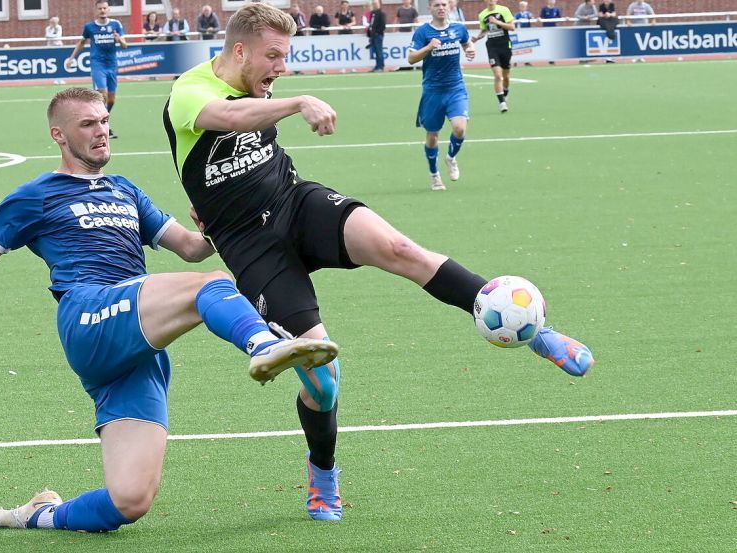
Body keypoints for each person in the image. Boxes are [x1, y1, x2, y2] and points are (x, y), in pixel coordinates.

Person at [163, 2, 594, 521]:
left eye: (286, 58)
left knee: (400, 249)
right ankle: (323, 472)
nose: (281, 67)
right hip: (250, 245)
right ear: (238, 50)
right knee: (323, 376)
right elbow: (226, 118)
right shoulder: (190, 91)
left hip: (296, 202)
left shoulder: (260, 83)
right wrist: (298, 102)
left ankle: (532, 330)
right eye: (273, 56)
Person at [0, 87, 339, 534]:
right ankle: (265, 344)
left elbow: (192, 250)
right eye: (89, 123)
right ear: (59, 135)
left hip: (136, 345)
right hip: (90, 315)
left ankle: (37, 515)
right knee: (211, 287)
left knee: (128, 501)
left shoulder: (125, 190)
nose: (101, 131)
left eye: (105, 121)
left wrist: (217, 221)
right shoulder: (36, 195)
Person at [409, 0, 475, 189]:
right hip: (433, 91)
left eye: (444, 4)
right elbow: (411, 58)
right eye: (437, 4)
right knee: (432, 136)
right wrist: (429, 47)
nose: (441, 8)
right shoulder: (423, 32)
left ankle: (451, 158)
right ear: (430, 8)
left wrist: (470, 50)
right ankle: (434, 175)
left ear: (449, 7)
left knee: (460, 128)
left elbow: (467, 43)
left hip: (456, 88)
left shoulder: (458, 29)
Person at [66, 0, 128, 139]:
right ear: (96, 10)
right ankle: (102, 125)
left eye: (105, 8)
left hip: (111, 65)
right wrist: (72, 58)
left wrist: (119, 39)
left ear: (109, 10)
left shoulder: (116, 25)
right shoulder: (90, 27)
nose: (102, 11)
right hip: (97, 64)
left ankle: (102, 121)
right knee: (102, 95)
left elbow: (125, 45)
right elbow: (81, 43)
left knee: (111, 100)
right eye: (100, 8)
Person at [473, 0, 516, 113]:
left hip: (505, 45)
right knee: (498, 75)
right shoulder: (482, 14)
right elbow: (484, 30)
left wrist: (497, 22)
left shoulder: (504, 10)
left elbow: (512, 27)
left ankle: (505, 93)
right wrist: (477, 38)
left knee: (506, 76)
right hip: (492, 46)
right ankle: (502, 102)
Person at [367, 0, 386, 71]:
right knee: (375, 51)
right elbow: (371, 24)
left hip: (378, 35)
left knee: (379, 51)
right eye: (373, 4)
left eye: (376, 4)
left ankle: (381, 66)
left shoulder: (381, 13)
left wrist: (377, 32)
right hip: (373, 35)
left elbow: (383, 25)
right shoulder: (372, 13)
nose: (375, 5)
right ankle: (377, 66)